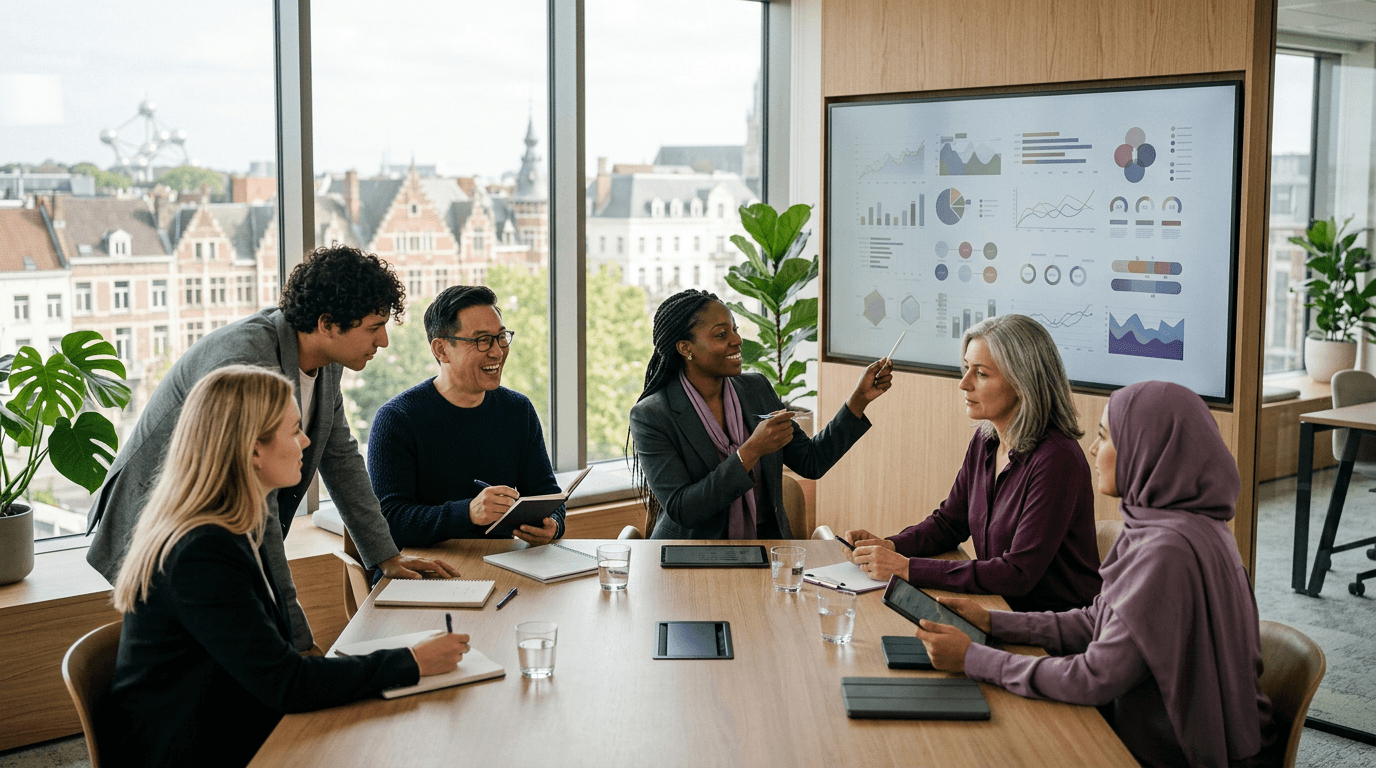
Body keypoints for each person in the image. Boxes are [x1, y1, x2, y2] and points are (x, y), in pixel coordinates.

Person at [87, 245, 459, 651]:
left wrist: (385, 556)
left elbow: (338, 454)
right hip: (162, 530)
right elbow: (258, 516)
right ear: (327, 324)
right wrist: (300, 645)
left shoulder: (326, 360)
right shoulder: (247, 361)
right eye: (374, 327)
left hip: (214, 530)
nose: (383, 341)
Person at [100, 366, 471, 768]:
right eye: (294, 430)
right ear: (252, 449)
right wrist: (412, 661)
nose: (307, 441)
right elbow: (285, 683)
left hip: (225, 720)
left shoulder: (229, 526)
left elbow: (272, 669)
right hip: (197, 748)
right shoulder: (202, 551)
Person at [913, 380, 1280, 768]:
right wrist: (994, 622)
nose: (1092, 448)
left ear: (1146, 451)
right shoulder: (1175, 523)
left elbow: (1094, 678)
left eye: (1104, 437)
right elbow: (1098, 620)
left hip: (1169, 752)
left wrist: (975, 659)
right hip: (1162, 728)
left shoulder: (1167, 552)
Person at [848, 313, 1101, 612]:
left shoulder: (1058, 459)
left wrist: (906, 568)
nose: (964, 384)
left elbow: (1016, 574)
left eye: (980, 373)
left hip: (1052, 634)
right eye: (967, 368)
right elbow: (949, 524)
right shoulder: (986, 439)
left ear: (1023, 382)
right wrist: (892, 546)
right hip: (998, 611)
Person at [629, 289, 890, 539]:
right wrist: (751, 451)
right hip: (688, 553)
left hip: (765, 548)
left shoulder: (756, 389)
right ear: (686, 348)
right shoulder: (651, 415)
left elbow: (812, 461)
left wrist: (859, 400)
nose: (737, 340)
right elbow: (682, 509)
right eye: (721, 334)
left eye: (735, 330)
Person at [368, 285, 564, 548]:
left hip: (506, 563)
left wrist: (553, 524)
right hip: (423, 572)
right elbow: (389, 522)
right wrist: (468, 513)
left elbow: (547, 494)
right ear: (441, 350)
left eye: (501, 336)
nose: (497, 352)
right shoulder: (397, 419)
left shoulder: (519, 410)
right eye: (482, 340)